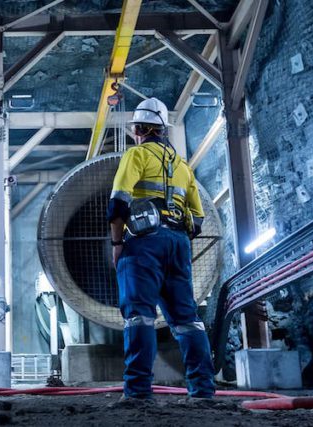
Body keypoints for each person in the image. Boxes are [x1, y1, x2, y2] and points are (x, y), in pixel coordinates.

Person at [107, 98, 215, 399]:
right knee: (187, 319)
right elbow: (198, 219)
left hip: (143, 244)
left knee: (139, 316)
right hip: (178, 243)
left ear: (140, 129)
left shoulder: (137, 154)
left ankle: (138, 394)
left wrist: (118, 244)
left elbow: (118, 202)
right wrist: (175, 237)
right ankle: (203, 391)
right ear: (163, 130)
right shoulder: (183, 166)